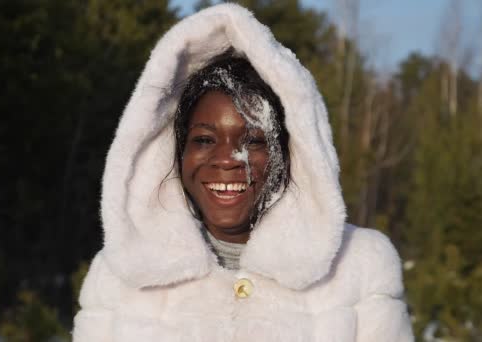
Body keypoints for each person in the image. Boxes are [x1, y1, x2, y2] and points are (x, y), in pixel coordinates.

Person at [73, 3, 413, 341]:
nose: (228, 159)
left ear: (291, 151)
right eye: (204, 139)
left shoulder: (359, 268)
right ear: (176, 153)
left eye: (253, 141)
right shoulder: (120, 277)